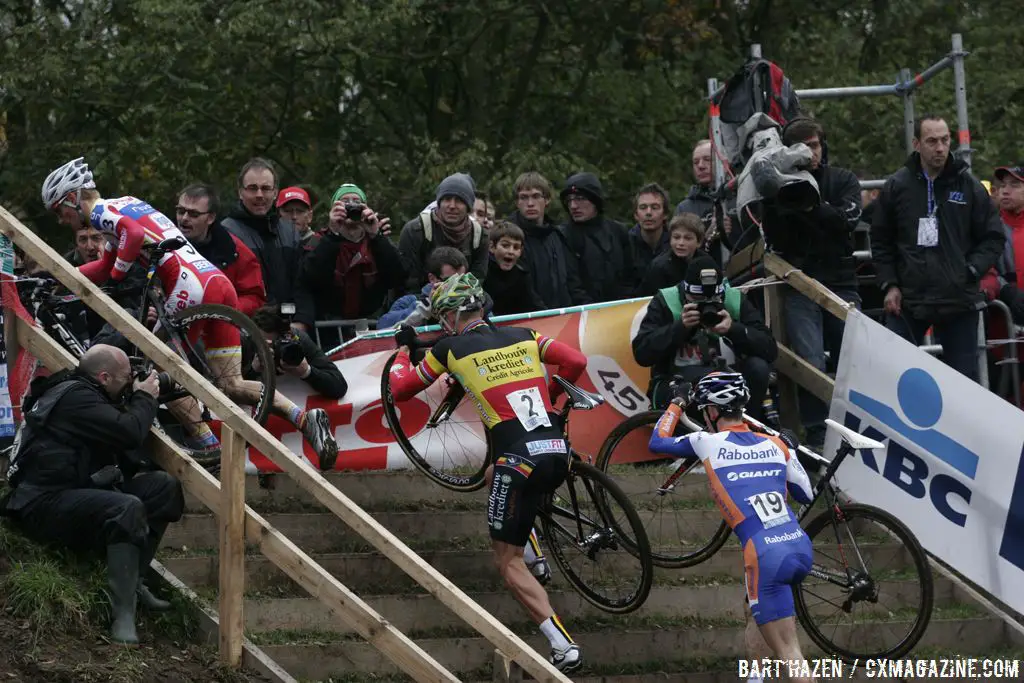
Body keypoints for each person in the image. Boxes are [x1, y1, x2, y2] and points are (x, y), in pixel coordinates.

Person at [39, 157, 338, 470]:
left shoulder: (101, 212)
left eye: (60, 210)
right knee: (232, 384)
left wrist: (117, 276)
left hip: (188, 286)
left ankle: (210, 451)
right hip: (215, 282)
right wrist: (59, 276)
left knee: (157, 373)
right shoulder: (125, 204)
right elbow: (103, 264)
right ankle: (305, 419)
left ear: (73, 198)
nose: (62, 219)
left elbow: (133, 239)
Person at [388, 274, 587, 673]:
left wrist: (402, 353)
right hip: (556, 449)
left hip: (519, 462)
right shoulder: (525, 334)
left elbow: (402, 389)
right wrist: (553, 398)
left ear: (455, 314)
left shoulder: (449, 348)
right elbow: (576, 361)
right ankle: (535, 551)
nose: (443, 324)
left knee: (505, 561)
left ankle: (562, 646)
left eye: (444, 316)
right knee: (495, 475)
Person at [0, 345, 185, 645]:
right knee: (127, 507)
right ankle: (122, 615)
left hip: (75, 491)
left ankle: (134, 581)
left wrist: (136, 398)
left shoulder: (93, 395)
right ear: (104, 377)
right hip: (41, 503)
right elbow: (128, 432)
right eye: (127, 377)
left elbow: (124, 450)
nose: (131, 382)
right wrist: (144, 397)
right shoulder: (76, 398)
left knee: (164, 488)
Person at [648, 372, 816, 683]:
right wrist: (789, 450)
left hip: (765, 553)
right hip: (797, 544)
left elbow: (657, 441)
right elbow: (806, 494)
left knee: (790, 653)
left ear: (711, 412)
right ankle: (755, 678)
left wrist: (676, 403)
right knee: (753, 608)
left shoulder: (706, 442)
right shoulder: (775, 443)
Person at [871, 115, 1006, 381]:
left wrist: (969, 270)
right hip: (909, 298)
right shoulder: (898, 186)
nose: (941, 148)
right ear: (917, 144)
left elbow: (993, 237)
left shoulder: (969, 186)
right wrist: (890, 285)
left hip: (958, 299)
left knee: (962, 381)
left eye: (945, 140)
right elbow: (881, 240)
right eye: (932, 141)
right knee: (891, 371)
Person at [772, 117, 864, 448]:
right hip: (799, 283)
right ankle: (816, 434)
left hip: (841, 282)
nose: (810, 152)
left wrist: (810, 206)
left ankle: (853, 431)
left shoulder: (843, 179)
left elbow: (847, 221)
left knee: (851, 359)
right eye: (802, 145)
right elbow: (776, 233)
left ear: (823, 145)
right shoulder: (778, 184)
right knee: (810, 362)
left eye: (815, 144)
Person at [632, 254, 777, 414]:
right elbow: (642, 354)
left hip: (729, 378)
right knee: (709, 379)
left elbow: (770, 349)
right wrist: (680, 328)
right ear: (685, 292)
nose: (706, 306)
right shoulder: (666, 301)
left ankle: (747, 427)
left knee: (758, 368)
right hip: (677, 381)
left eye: (714, 300)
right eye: (697, 299)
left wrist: (735, 329)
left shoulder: (734, 300)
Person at [302, 182, 403, 346]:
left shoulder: (376, 240)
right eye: (345, 202)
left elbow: (397, 275)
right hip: (329, 332)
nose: (351, 206)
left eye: (356, 201)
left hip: (371, 326)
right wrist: (333, 232)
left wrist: (376, 235)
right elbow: (311, 277)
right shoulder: (321, 240)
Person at [221, 158, 316, 330]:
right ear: (240, 192)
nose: (259, 195)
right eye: (252, 188)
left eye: (265, 188)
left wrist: (302, 321)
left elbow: (302, 284)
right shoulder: (225, 233)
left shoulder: (290, 233)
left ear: (275, 192)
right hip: (245, 330)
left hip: (288, 328)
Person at [176, 182, 267, 317]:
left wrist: (224, 312)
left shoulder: (235, 252)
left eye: (193, 214)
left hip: (218, 327)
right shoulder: (161, 242)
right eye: (181, 211)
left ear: (210, 218)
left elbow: (254, 297)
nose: (184, 218)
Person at [507, 171, 589, 308]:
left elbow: (572, 283)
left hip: (563, 318)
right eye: (524, 197)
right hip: (527, 320)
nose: (530, 203)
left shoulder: (558, 236)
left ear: (547, 200)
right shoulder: (508, 238)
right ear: (517, 202)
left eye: (536, 196)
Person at [398, 172, 488, 292]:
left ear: (468, 206)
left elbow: (478, 278)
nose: (452, 205)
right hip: (419, 299)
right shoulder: (415, 230)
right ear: (439, 202)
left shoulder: (479, 235)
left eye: (459, 200)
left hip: (463, 298)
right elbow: (407, 280)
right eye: (446, 199)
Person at [559, 172, 635, 302]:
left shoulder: (618, 231)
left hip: (621, 310)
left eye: (580, 198)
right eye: (569, 200)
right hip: (583, 314)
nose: (573, 206)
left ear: (595, 201)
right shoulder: (563, 235)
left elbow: (631, 274)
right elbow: (571, 284)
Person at [250, 305, 348, 400]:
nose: (272, 350)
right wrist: (253, 370)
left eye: (276, 344)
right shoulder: (246, 344)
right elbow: (234, 392)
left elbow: (339, 386)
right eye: (265, 344)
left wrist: (307, 372)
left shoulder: (298, 342)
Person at [378, 246, 469, 329]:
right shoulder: (408, 302)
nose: (457, 286)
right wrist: (426, 308)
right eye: (450, 280)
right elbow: (382, 327)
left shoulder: (473, 301)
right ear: (432, 279)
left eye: (461, 279)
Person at [483, 221, 545, 316]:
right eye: (505, 246)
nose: (511, 251)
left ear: (521, 251)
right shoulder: (482, 272)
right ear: (492, 247)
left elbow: (537, 306)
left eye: (516, 247)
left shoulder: (522, 276)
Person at [637, 213, 705, 296]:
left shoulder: (706, 262)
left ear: (699, 242)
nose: (681, 243)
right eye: (676, 237)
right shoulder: (659, 267)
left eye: (687, 238)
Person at [628, 183, 671, 279]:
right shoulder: (626, 245)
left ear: (665, 214)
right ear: (636, 215)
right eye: (643, 207)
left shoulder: (676, 243)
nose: (648, 213)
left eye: (655, 207)